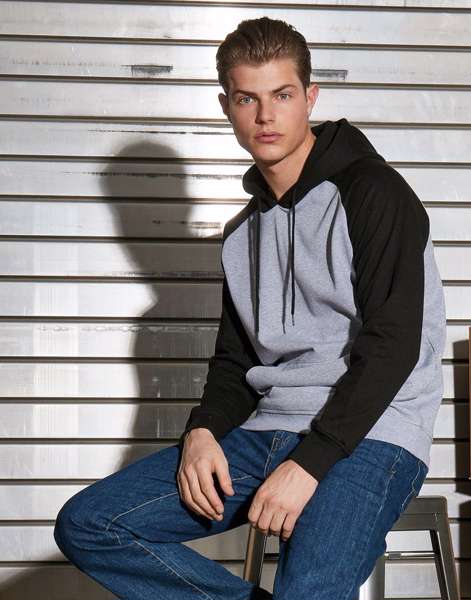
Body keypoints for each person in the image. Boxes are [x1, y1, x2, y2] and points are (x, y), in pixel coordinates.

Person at [53, 16, 447, 600]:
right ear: (226, 106)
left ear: (310, 97)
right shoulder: (242, 233)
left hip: (371, 435)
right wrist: (203, 431)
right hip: (266, 431)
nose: (266, 116)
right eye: (247, 99)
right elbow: (236, 362)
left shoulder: (374, 193)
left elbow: (393, 346)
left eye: (282, 95)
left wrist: (311, 463)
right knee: (90, 524)